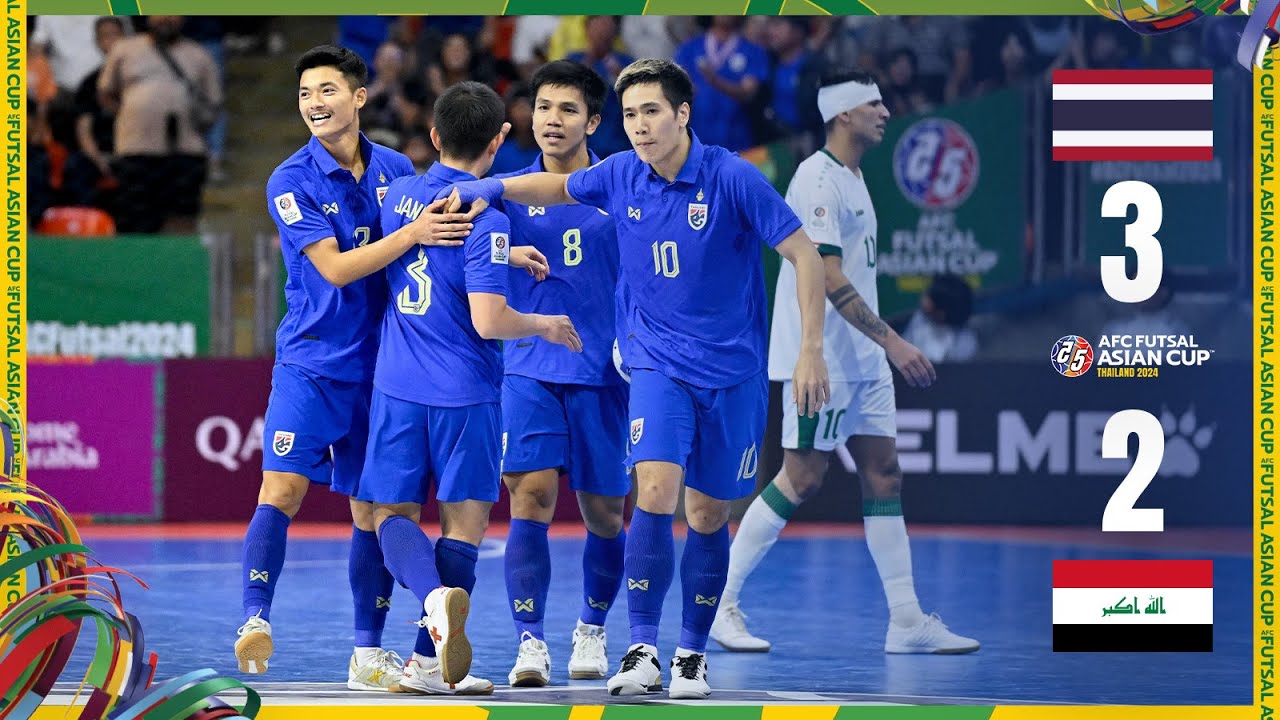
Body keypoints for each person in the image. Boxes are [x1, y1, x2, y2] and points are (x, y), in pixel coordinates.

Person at [436, 58, 831, 700]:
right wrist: (492, 189)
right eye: (631, 115)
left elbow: (804, 255)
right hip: (654, 364)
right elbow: (554, 187)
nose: (640, 126)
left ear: (682, 114)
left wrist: (811, 349)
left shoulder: (732, 176)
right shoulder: (621, 173)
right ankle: (642, 646)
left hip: (732, 371)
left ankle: (690, 655)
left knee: (706, 512)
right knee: (654, 488)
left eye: (651, 112)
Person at [234, 45, 535, 690]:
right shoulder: (290, 180)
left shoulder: (397, 170)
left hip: (382, 368)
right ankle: (254, 618)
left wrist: (504, 254)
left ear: (359, 96)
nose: (315, 103)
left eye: (327, 90)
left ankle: (368, 652)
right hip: (312, 360)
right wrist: (413, 234)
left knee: (370, 513)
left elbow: (446, 245)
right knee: (281, 491)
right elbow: (337, 269)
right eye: (305, 93)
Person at [709, 69, 980, 657]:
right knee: (802, 478)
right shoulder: (816, 178)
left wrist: (880, 350)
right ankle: (718, 603)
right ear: (843, 114)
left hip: (864, 361)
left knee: (884, 473)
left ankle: (906, 621)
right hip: (824, 358)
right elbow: (828, 277)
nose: (886, 112)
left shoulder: (855, 176)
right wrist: (895, 342)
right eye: (873, 103)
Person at [360, 80, 581, 695]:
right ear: (499, 140)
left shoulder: (400, 197)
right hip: (468, 395)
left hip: (398, 387)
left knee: (389, 515)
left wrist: (508, 254)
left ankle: (431, 614)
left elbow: (422, 256)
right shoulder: (490, 220)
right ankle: (429, 652)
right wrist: (542, 323)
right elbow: (489, 321)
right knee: (463, 526)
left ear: (434, 136)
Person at [492, 60, 629, 688]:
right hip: (528, 367)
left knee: (605, 513)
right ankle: (530, 642)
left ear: (593, 122)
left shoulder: (621, 187)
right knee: (532, 497)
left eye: (568, 109)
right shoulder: (506, 192)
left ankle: (592, 629)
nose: (552, 120)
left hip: (605, 373)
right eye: (544, 106)